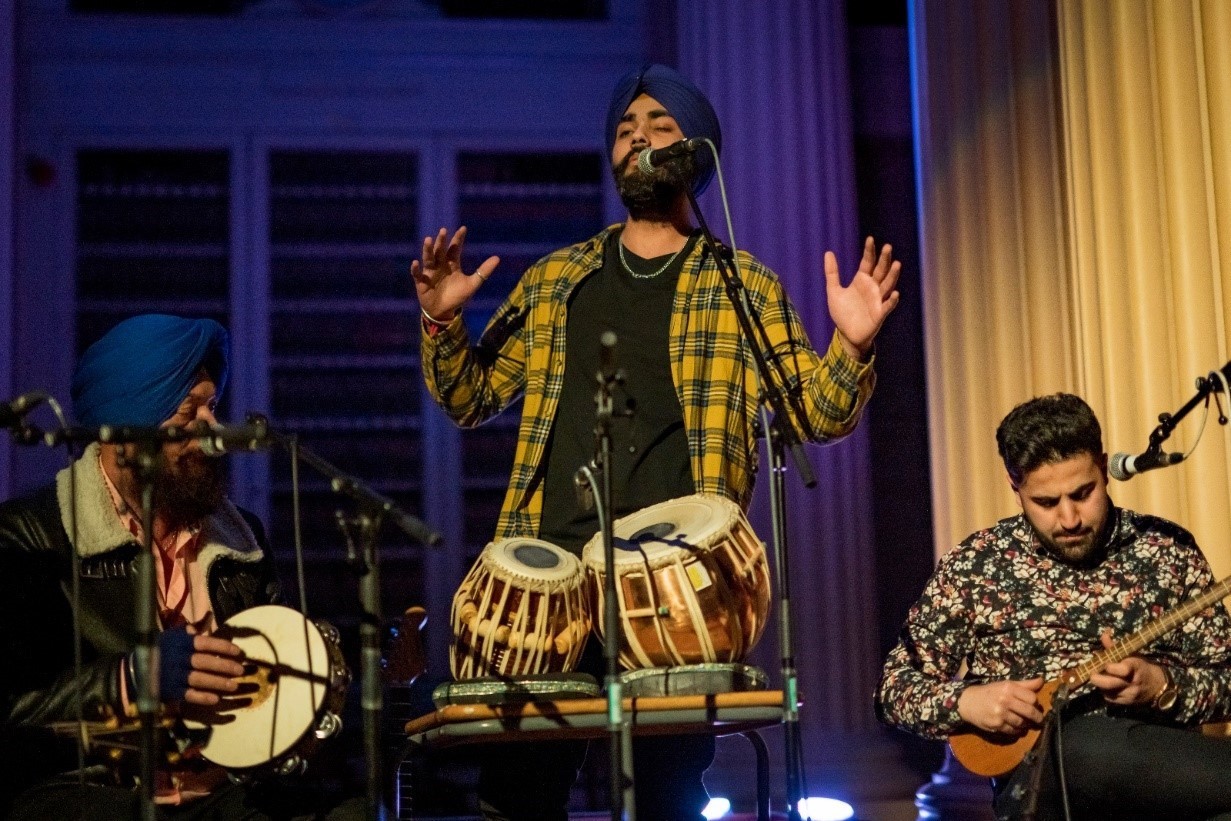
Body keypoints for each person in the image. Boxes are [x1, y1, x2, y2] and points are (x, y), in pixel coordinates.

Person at [413, 63, 900, 821]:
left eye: (658, 128)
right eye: (623, 130)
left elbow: (816, 417)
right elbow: (469, 400)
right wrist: (443, 323)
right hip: (555, 579)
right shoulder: (556, 279)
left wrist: (852, 345)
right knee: (518, 796)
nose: (636, 139)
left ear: (693, 154)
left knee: (669, 797)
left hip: (676, 588)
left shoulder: (740, 283)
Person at [0, 314, 358, 821]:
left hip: (224, 792)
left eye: (212, 407)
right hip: (89, 791)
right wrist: (130, 679)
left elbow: (276, 687)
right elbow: (12, 709)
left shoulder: (242, 541)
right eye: (190, 412)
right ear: (124, 434)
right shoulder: (30, 537)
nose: (213, 428)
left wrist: (335, 697)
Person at [876, 393, 1231, 821]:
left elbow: (1226, 682)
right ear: (1015, 486)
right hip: (1048, 787)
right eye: (1045, 502)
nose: (1069, 519)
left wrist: (1161, 685)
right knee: (1075, 742)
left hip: (1171, 783)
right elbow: (893, 691)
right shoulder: (978, 565)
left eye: (1083, 493)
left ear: (1104, 467)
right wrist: (968, 702)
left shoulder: (1166, 549)